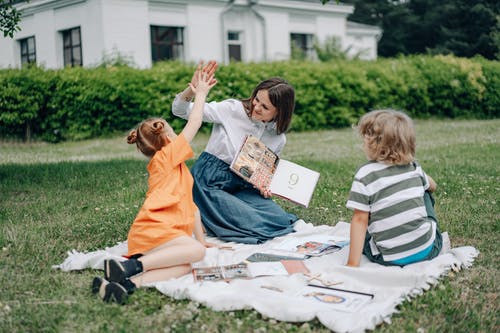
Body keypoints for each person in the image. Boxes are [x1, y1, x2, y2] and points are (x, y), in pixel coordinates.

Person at [92, 67, 217, 304]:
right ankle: (130, 266)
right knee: (197, 255)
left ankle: (125, 284)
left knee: (184, 265)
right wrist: (200, 93)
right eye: (172, 131)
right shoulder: (167, 157)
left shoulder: (171, 166)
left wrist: (201, 241)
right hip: (154, 233)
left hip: (160, 237)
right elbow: (196, 121)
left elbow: (192, 207)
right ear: (168, 139)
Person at [171, 61, 298, 244]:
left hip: (242, 185)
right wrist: (192, 91)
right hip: (210, 180)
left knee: (279, 218)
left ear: (280, 112)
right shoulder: (232, 109)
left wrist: (263, 185)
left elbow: (260, 175)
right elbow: (179, 110)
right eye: (257, 99)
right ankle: (204, 214)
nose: (256, 107)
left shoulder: (278, 139)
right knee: (251, 222)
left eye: (265, 107)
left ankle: (215, 218)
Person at [345, 109, 443, 267]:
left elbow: (360, 219)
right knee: (426, 191)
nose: (363, 143)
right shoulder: (413, 168)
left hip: (388, 259)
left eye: (365, 139)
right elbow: (434, 186)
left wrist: (352, 264)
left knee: (365, 228)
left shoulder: (365, 175)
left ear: (375, 144)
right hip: (427, 251)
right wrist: (422, 179)